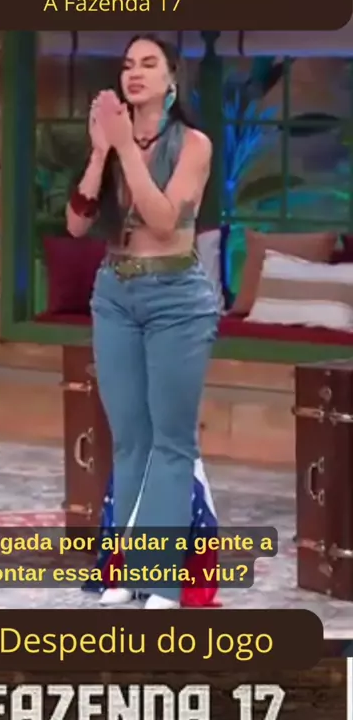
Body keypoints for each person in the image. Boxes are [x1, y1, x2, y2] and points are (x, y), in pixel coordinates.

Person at [66, 33, 220, 610]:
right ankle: (126, 570)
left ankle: (162, 581)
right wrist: (99, 152)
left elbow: (161, 220)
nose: (134, 73)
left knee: (170, 443)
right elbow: (77, 224)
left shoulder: (194, 145)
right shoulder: (114, 142)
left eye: (148, 64)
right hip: (114, 296)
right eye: (128, 64)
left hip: (176, 300)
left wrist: (125, 146)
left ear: (171, 78)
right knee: (131, 440)